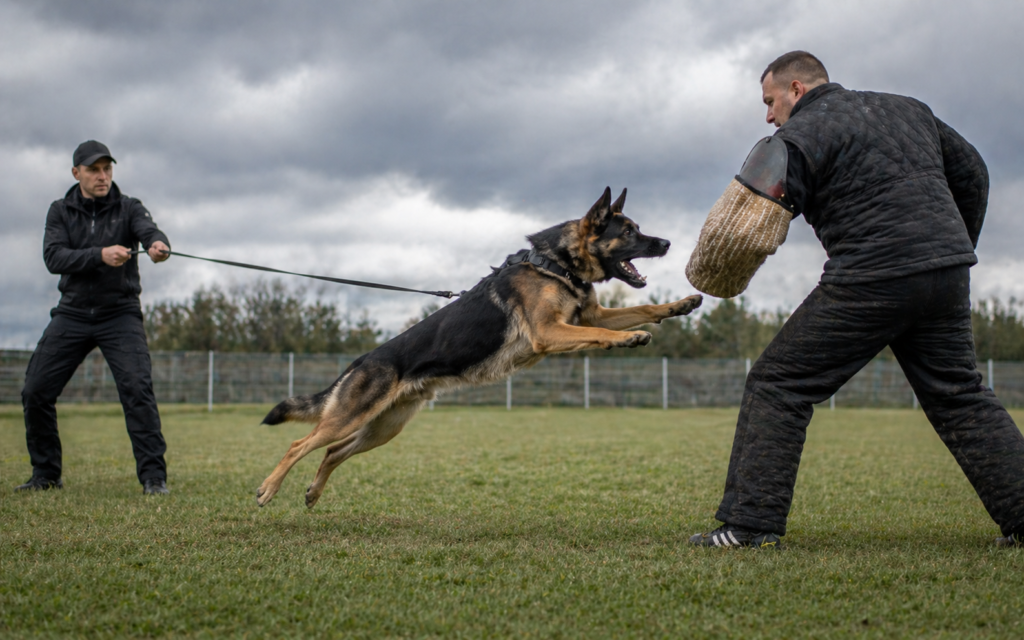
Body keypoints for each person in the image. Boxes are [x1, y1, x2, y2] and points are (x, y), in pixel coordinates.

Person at [688, 52, 1024, 548]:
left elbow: (744, 225)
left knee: (778, 383)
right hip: (947, 271)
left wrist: (712, 275)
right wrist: (952, 249)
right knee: (959, 394)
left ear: (796, 90)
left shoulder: (800, 134)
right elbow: (973, 172)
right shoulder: (910, 109)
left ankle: (750, 527)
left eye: (769, 101)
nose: (767, 115)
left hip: (874, 270)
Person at [17, 140, 173, 496]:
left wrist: (157, 245)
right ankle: (45, 474)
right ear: (77, 173)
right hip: (71, 313)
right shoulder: (60, 211)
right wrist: (99, 255)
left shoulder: (129, 208)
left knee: (137, 389)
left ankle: (153, 478)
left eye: (107, 169)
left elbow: (150, 231)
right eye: (94, 170)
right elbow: (54, 258)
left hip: (120, 314)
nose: (103, 176)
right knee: (35, 390)